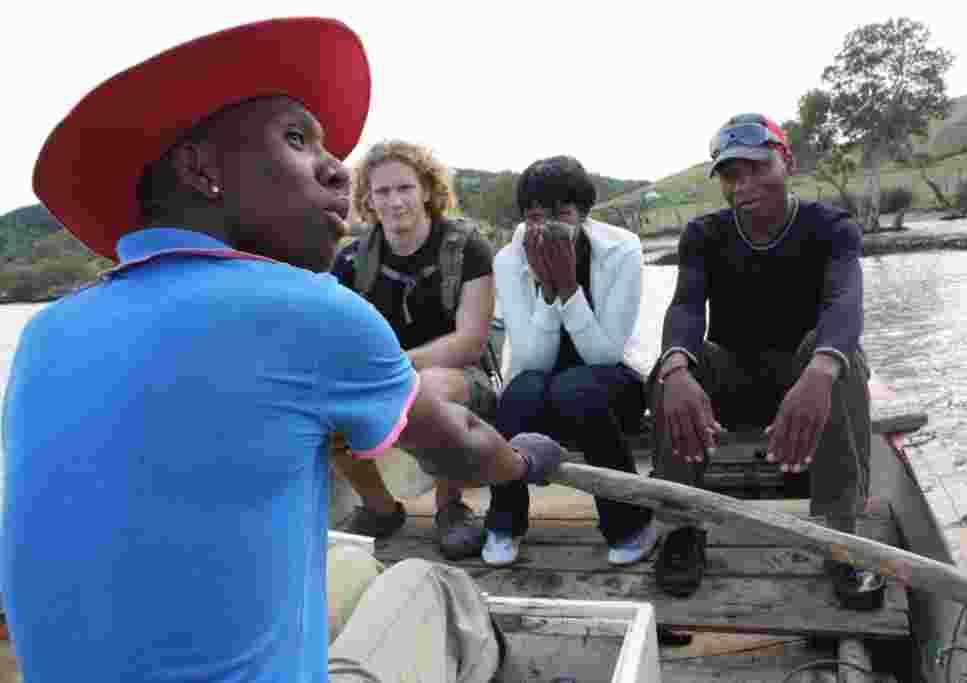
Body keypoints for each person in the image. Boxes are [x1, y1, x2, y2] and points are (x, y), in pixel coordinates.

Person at [0, 18, 565, 682]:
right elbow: (459, 445)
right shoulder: (308, 308)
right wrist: (524, 459)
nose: (338, 171)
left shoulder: (45, 333)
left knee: (348, 568)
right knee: (434, 590)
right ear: (201, 170)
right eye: (299, 139)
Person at [647, 112, 881, 604]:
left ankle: (842, 539)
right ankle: (682, 528)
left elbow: (845, 303)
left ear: (787, 162)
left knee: (840, 356)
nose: (745, 183)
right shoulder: (704, 235)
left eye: (758, 166)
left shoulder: (831, 227)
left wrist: (821, 369)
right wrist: (675, 367)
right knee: (672, 370)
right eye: (732, 174)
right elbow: (686, 306)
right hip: (735, 380)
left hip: (805, 386)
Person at [482, 156, 658, 567]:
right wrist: (547, 290)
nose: (549, 227)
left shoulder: (622, 250)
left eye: (562, 214)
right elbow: (530, 359)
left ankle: (630, 522)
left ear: (582, 214)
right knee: (518, 394)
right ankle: (504, 521)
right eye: (536, 216)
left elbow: (606, 354)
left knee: (576, 387)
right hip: (543, 384)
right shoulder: (509, 260)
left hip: (616, 386)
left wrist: (569, 287)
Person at [330, 140, 496, 560]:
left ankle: (449, 506)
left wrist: (399, 367)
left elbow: (471, 341)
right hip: (384, 377)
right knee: (321, 403)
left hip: (461, 377)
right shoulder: (352, 260)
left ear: (426, 189)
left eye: (404, 188)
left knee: (428, 390)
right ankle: (380, 507)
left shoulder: (466, 248)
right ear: (367, 198)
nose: (395, 201)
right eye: (382, 192)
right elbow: (337, 340)